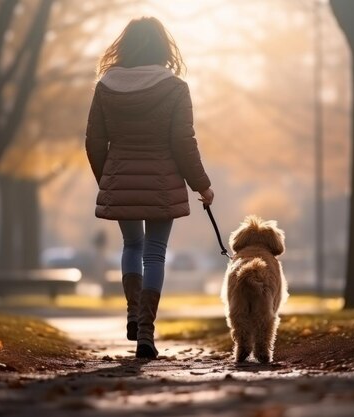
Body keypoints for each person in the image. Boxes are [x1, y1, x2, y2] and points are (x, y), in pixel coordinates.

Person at [85, 16, 214, 359]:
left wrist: (109, 179)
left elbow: (94, 142)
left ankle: (132, 309)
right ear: (163, 47)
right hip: (162, 181)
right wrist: (202, 185)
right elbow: (183, 142)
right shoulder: (175, 88)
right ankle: (145, 329)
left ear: (123, 46)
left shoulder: (105, 87)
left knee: (131, 245)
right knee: (155, 253)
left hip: (122, 178)